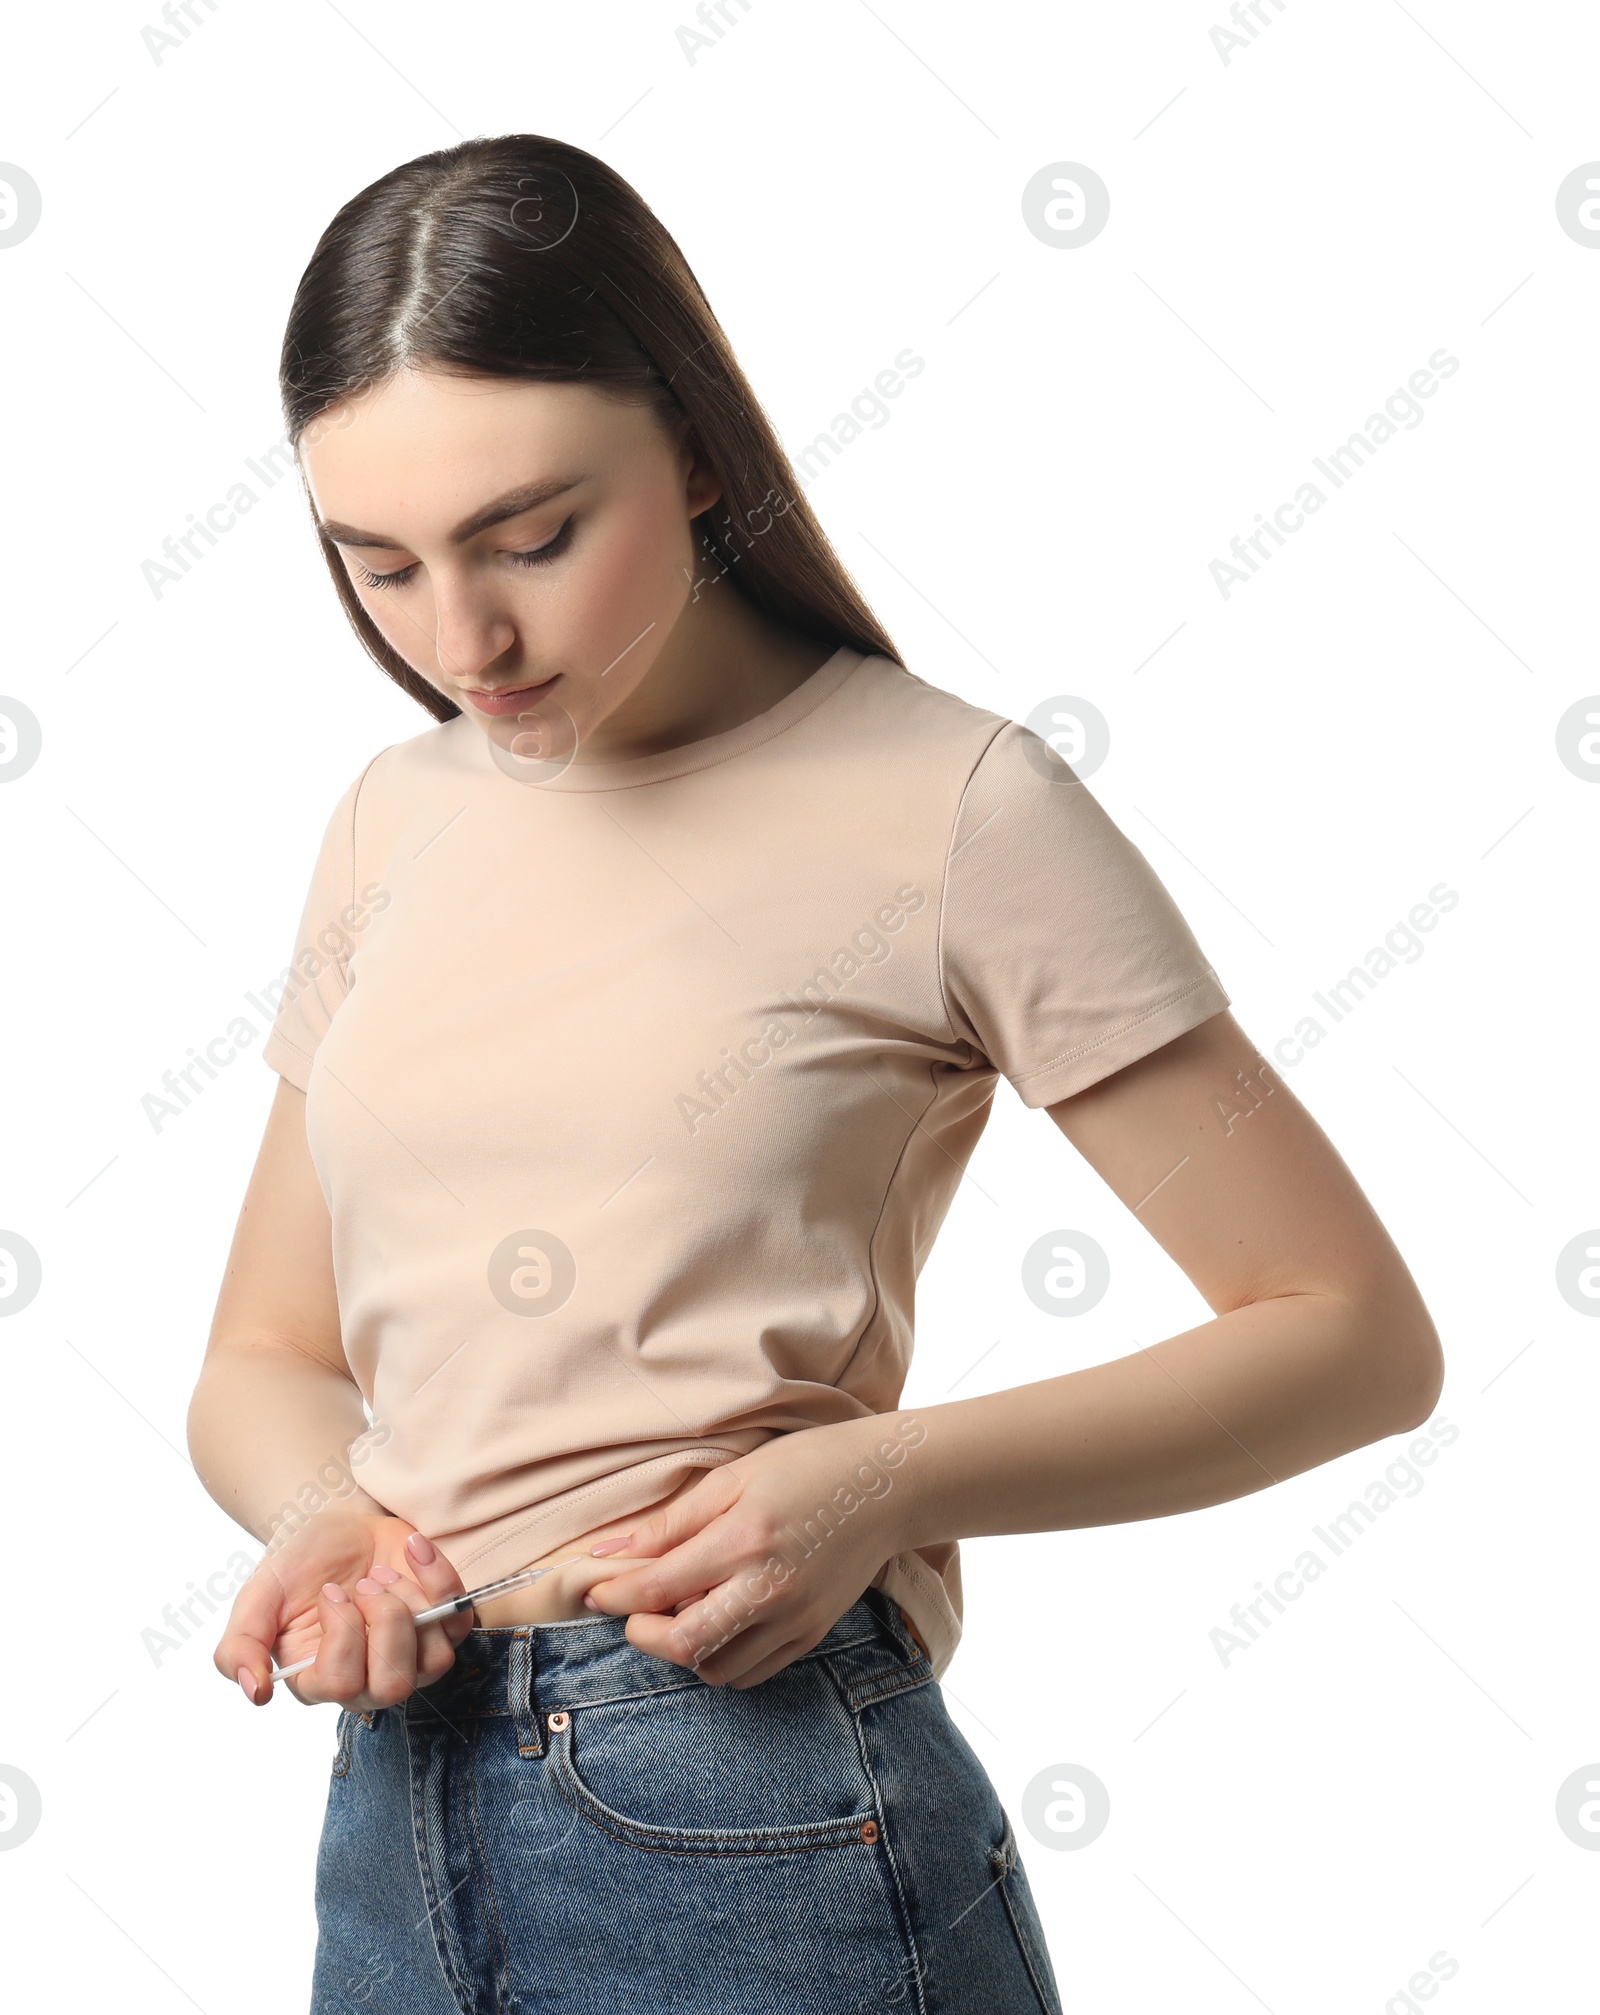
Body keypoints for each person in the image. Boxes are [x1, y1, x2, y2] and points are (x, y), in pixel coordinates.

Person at [189, 134, 1444, 2013]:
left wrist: (869, 1483)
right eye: (380, 564)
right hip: (396, 1820)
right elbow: (264, 1359)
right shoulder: (391, 820)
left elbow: (1350, 1335)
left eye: (533, 537)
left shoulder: (951, 807)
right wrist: (334, 1524)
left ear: (697, 449)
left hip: (749, 1803)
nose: (467, 642)